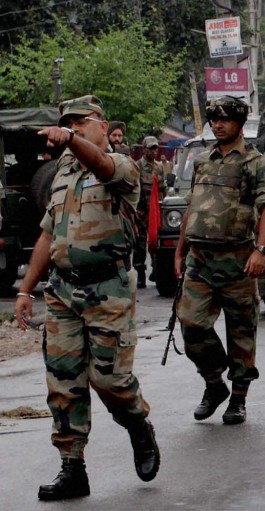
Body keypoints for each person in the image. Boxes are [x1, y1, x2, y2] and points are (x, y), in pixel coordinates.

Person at [14, 95, 159, 501]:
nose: (73, 128)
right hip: (62, 291)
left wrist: (71, 141)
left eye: (81, 122)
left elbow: (102, 165)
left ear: (102, 125)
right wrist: (25, 289)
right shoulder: (63, 172)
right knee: (63, 382)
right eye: (68, 124)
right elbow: (48, 233)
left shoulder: (122, 166)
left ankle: (137, 424)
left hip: (107, 289)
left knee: (109, 379)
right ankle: (72, 467)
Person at [174, 96, 265, 425]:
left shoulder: (254, 162)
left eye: (225, 120)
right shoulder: (202, 160)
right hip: (200, 261)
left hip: (238, 261)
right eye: (214, 120)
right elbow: (193, 207)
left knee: (241, 331)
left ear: (239, 123)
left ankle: (238, 398)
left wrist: (261, 250)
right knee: (191, 323)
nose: (218, 125)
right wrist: (180, 250)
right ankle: (214, 383)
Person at [134, 136, 167, 287]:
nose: (154, 151)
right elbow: (134, 189)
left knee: (156, 241)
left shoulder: (159, 167)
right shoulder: (137, 166)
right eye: (151, 148)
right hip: (142, 211)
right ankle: (141, 273)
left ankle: (156, 268)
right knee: (140, 243)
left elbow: (162, 188)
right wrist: (136, 209)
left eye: (156, 148)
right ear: (144, 149)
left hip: (155, 211)